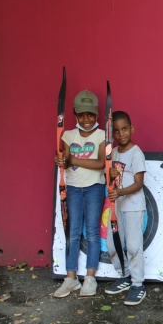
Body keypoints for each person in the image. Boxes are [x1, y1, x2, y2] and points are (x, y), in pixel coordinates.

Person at [54, 90, 106, 298]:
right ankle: (71, 278)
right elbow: (63, 159)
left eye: (91, 115)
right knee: (73, 232)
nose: (86, 119)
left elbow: (101, 163)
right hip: (73, 188)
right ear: (75, 114)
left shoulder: (102, 135)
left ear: (96, 115)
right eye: (82, 115)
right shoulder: (68, 135)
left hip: (94, 187)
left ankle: (90, 278)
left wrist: (73, 160)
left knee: (92, 232)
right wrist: (59, 160)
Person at [104, 111, 147, 306]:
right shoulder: (112, 152)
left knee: (133, 246)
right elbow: (110, 179)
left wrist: (120, 192)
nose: (121, 134)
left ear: (132, 129)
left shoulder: (136, 153)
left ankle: (138, 285)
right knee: (113, 245)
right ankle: (125, 276)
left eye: (125, 129)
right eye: (116, 131)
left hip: (133, 206)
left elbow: (138, 183)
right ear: (111, 134)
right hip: (117, 207)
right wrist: (109, 172)